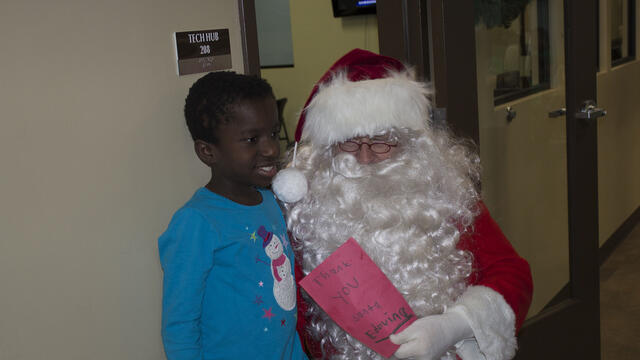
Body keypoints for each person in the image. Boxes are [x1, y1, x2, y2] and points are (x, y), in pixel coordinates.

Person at [272, 49, 533, 360]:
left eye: (381, 141)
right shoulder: (304, 217)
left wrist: (455, 325)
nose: (365, 157)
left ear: (410, 142)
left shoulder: (447, 198)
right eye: (351, 142)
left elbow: (513, 274)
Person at [158, 71, 308, 360]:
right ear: (207, 152)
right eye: (252, 139)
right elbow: (179, 325)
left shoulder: (270, 202)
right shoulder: (196, 222)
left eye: (273, 133)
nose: (271, 148)